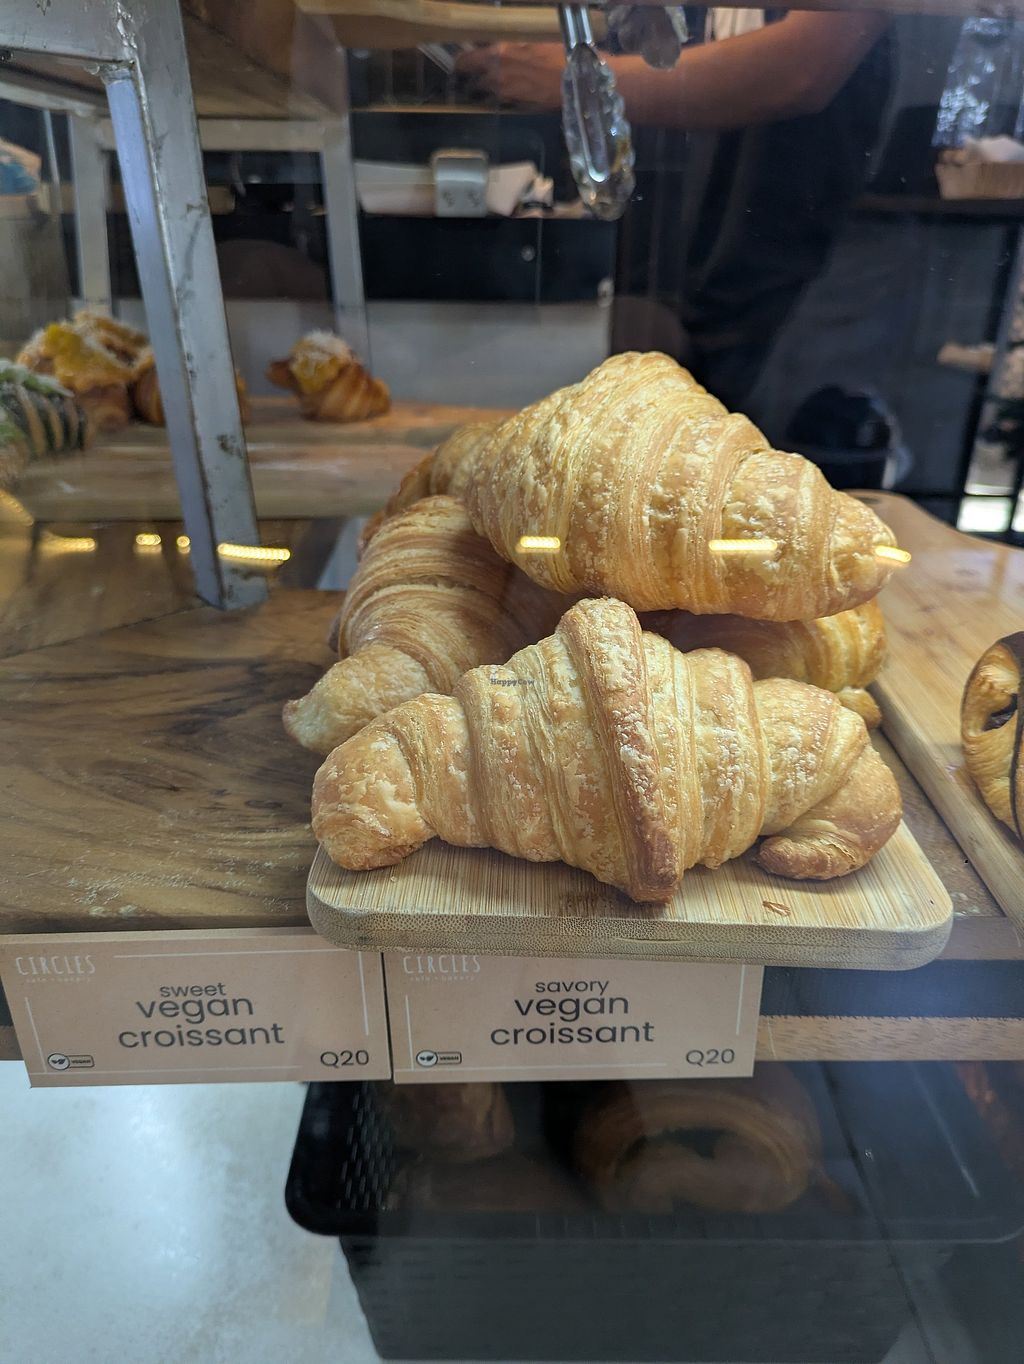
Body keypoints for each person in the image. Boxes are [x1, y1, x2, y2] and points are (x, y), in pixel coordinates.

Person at [458, 12, 893, 412]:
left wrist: (582, 80)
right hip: (691, 256)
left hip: (810, 256)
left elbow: (808, 64)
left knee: (781, 439)